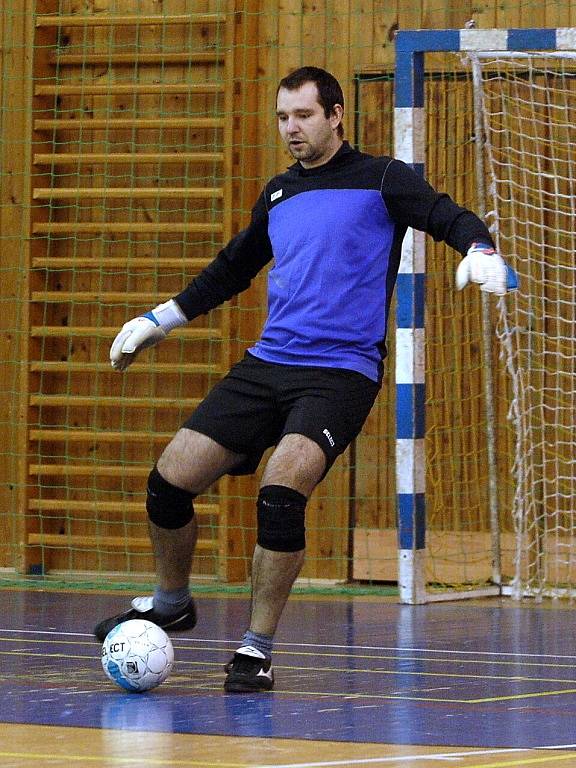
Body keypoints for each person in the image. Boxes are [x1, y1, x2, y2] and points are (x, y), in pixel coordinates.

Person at [94, 66, 516, 692]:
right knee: (168, 483)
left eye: (303, 116)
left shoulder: (383, 178)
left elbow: (447, 215)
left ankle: (256, 647)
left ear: (336, 115)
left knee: (280, 493)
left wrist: (480, 250)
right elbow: (233, 267)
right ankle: (171, 601)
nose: (291, 129)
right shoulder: (279, 193)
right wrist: (162, 318)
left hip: (340, 372)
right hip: (268, 363)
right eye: (283, 118)